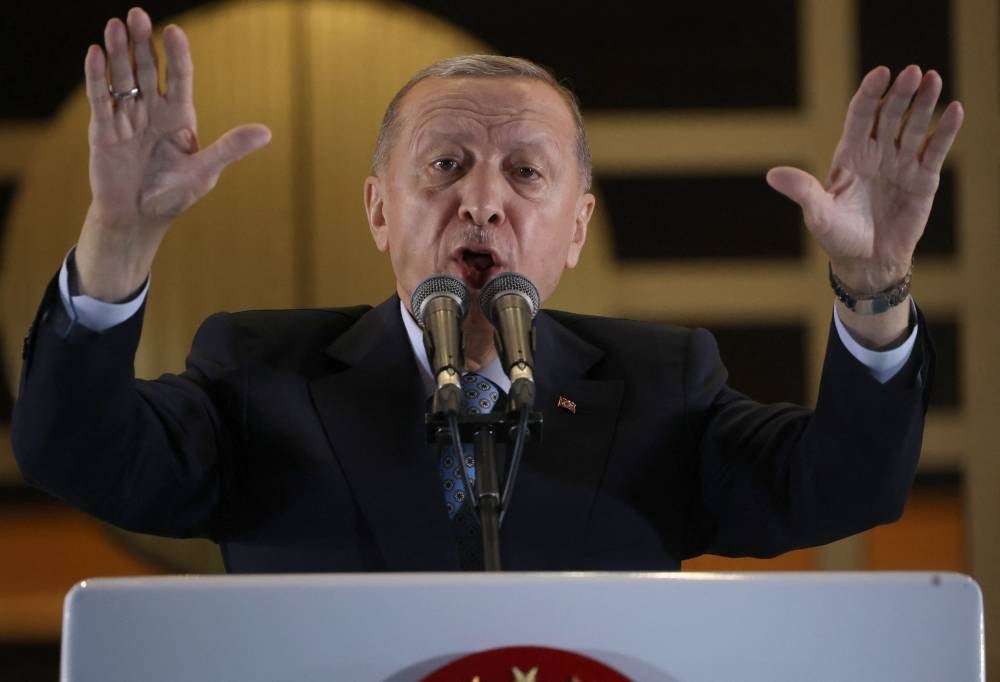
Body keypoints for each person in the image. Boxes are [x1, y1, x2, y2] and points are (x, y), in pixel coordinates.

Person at [12, 8, 963, 571]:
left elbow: (848, 482)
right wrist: (117, 240)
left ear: (577, 228)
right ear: (382, 212)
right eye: (446, 165)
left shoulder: (662, 385)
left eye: (526, 173)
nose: (482, 202)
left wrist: (874, 287)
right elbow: (80, 457)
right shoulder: (261, 375)